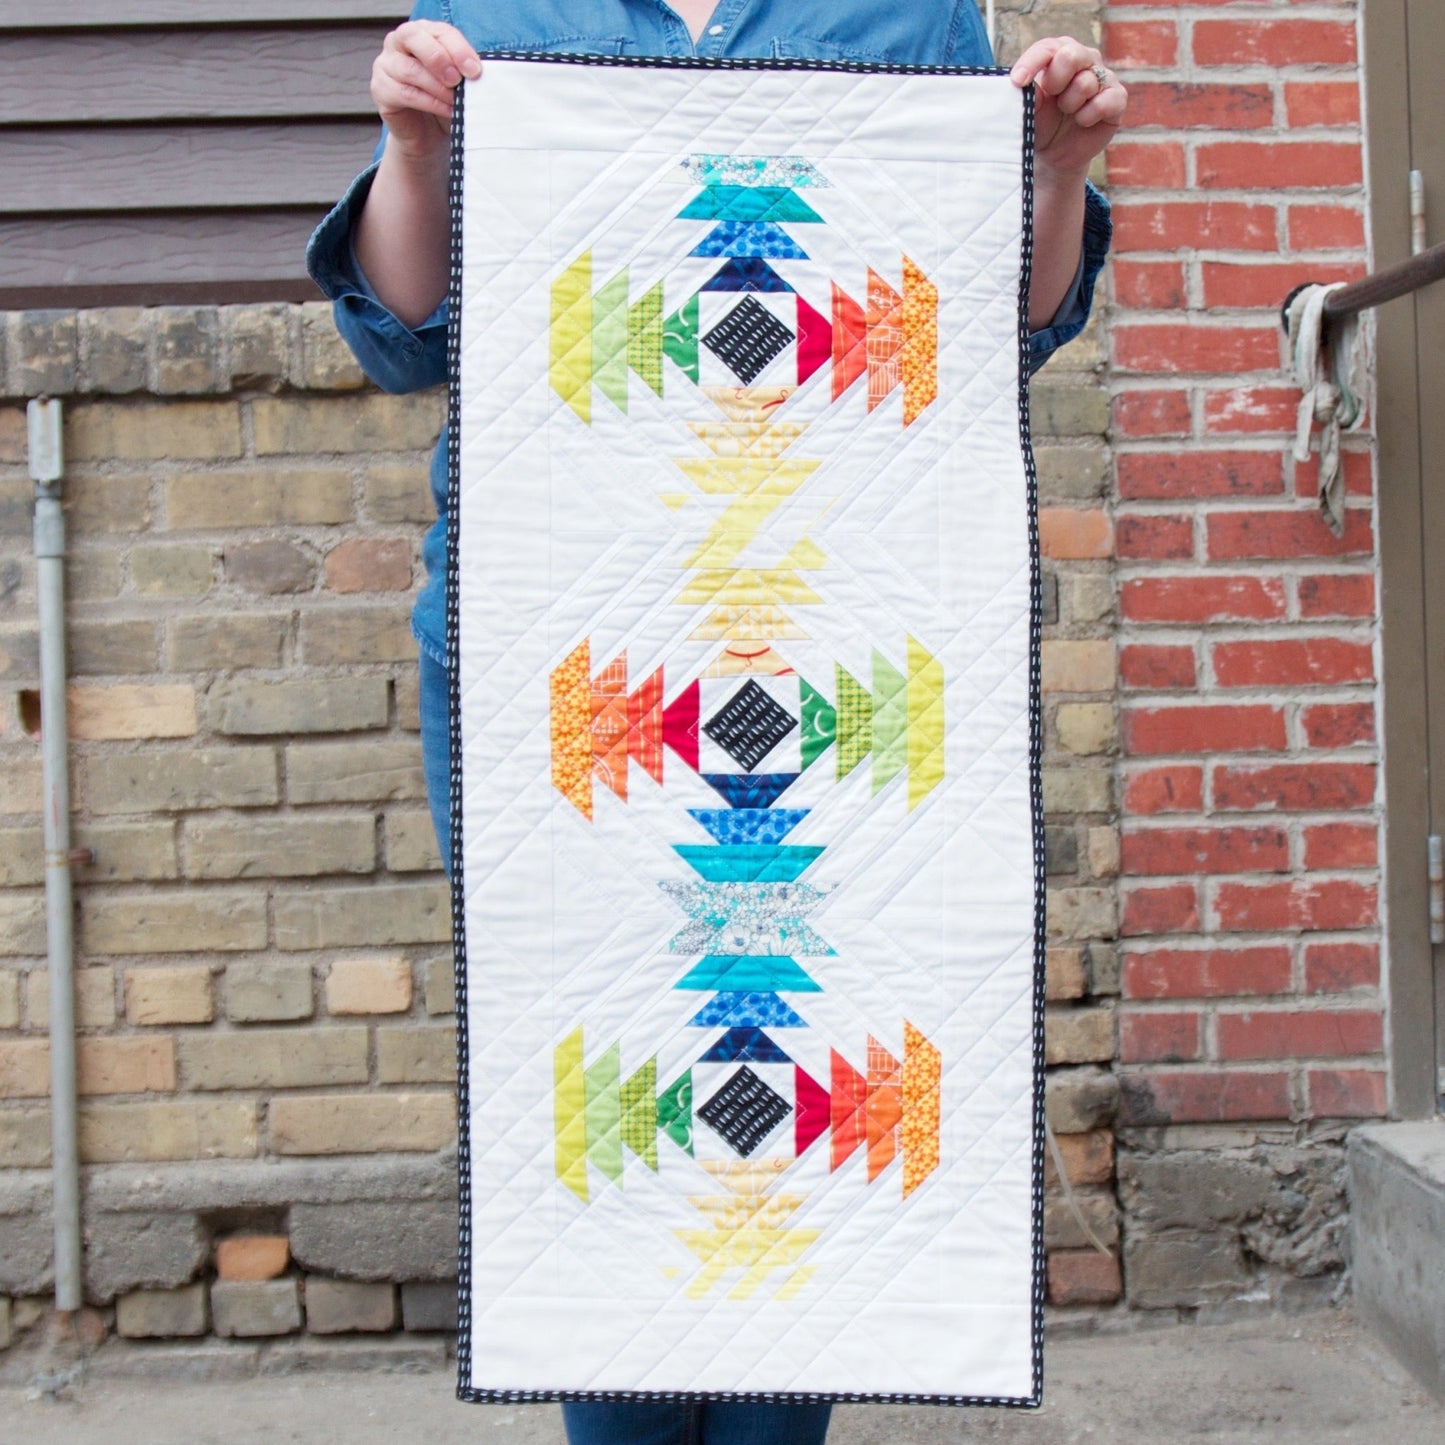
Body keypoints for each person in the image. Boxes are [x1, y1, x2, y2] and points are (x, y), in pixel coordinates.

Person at [308, 5, 1125, 1443]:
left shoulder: (904, 10)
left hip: (838, 654)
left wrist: (1048, 169)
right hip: (556, 660)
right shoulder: (505, 11)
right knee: (595, 1072)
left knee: (810, 1065)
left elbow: (997, 320)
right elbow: (407, 332)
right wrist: (409, 145)